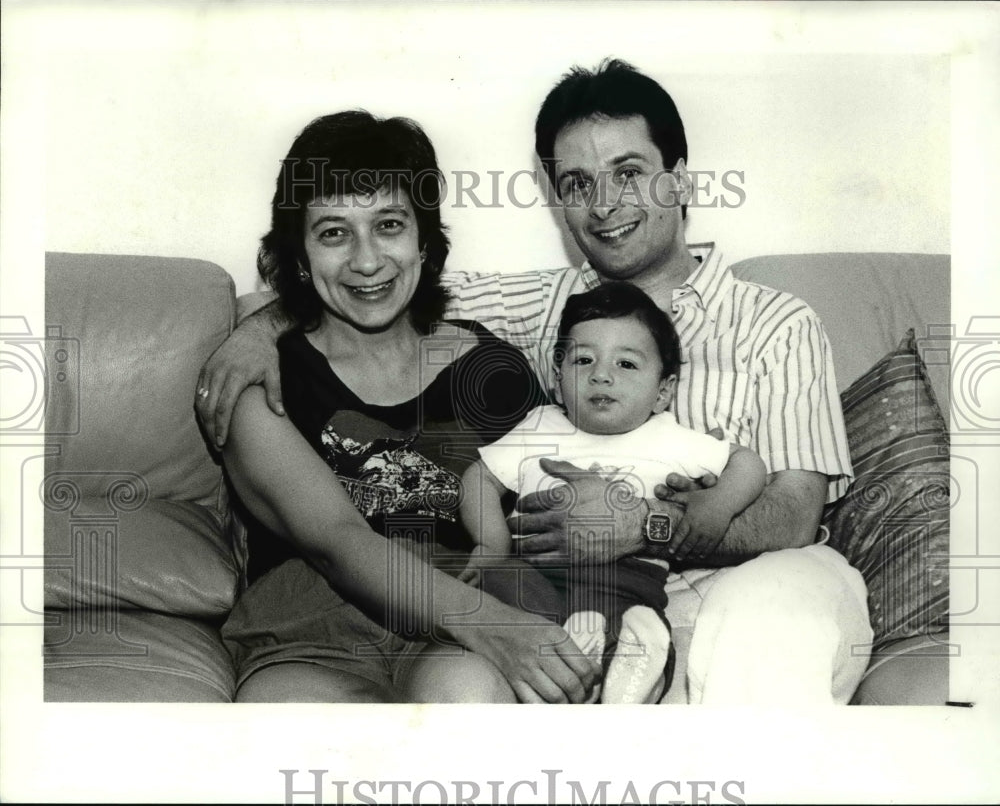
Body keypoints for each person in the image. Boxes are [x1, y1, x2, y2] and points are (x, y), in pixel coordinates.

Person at [199, 59, 874, 704]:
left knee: (765, 631)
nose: (604, 205)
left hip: (748, 581)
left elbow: (795, 513)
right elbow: (375, 287)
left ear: (680, 179)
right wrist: (257, 328)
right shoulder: (541, 309)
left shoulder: (777, 321)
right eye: (578, 183)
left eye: (628, 173)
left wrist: (646, 527)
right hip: (577, 605)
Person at [217, 109, 601, 704]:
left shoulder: (492, 369)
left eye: (389, 224)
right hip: (309, 634)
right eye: (333, 232)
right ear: (299, 255)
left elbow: (551, 511)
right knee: (290, 730)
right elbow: (339, 544)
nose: (366, 261)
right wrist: (492, 625)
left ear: (425, 239)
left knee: (466, 702)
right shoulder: (259, 380)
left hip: (460, 638)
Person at [460, 281, 767, 704]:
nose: (601, 374)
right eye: (583, 359)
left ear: (663, 391)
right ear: (556, 376)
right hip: (535, 564)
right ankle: (570, 660)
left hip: (626, 574)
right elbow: (479, 477)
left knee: (632, 619)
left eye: (626, 364)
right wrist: (491, 542)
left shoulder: (669, 436)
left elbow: (747, 462)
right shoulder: (541, 424)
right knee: (496, 586)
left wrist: (717, 504)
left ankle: (631, 669)